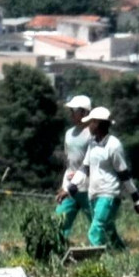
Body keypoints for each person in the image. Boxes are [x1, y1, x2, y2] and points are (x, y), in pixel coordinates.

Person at [61, 106, 139, 251]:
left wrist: (137, 199)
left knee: (96, 230)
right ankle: (122, 254)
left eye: (91, 122)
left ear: (98, 124)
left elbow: (124, 174)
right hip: (94, 194)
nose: (89, 126)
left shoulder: (113, 145)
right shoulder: (93, 143)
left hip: (109, 194)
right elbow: (84, 168)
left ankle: (97, 261)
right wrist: (69, 189)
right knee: (108, 229)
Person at [55, 95, 94, 246]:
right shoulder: (69, 134)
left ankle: (103, 248)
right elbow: (68, 160)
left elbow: (92, 162)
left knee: (96, 222)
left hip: (88, 186)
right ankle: (58, 247)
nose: (71, 114)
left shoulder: (92, 133)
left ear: (84, 112)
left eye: (74, 111)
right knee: (61, 220)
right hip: (70, 186)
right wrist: (64, 184)